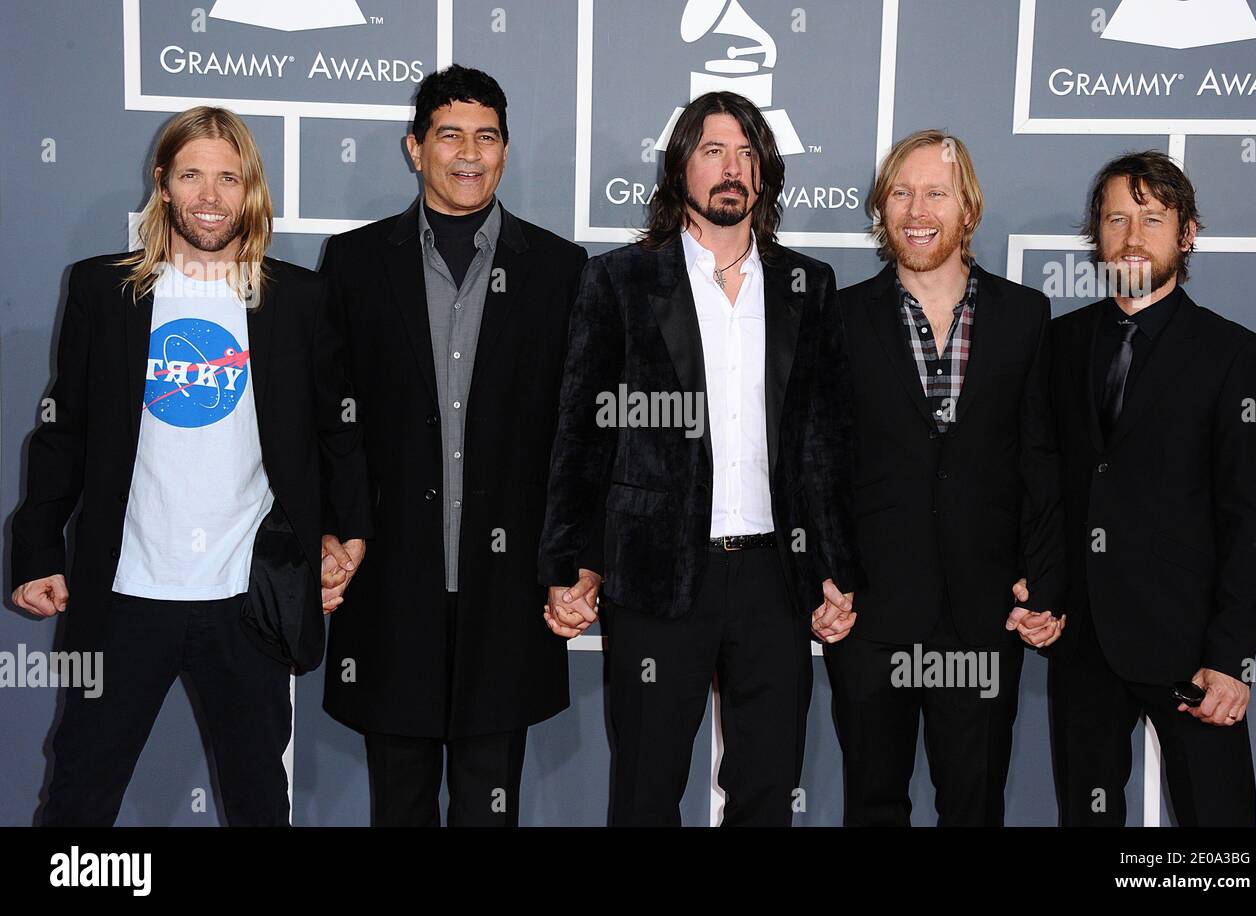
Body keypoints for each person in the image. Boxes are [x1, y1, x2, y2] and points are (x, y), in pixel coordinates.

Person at [11, 106, 370, 826]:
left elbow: (337, 430)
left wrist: (346, 531)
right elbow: (63, 431)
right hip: (126, 592)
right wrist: (36, 549)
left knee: (259, 802)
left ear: (251, 189)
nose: (210, 195)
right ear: (163, 184)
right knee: (78, 799)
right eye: (191, 175)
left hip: (248, 595)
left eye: (228, 177)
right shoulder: (103, 291)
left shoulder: (296, 299)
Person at [539, 90, 857, 826]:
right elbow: (581, 436)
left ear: (765, 174)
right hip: (656, 573)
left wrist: (834, 569)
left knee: (767, 791)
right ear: (680, 166)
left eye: (748, 153)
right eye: (714, 151)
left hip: (776, 577)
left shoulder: (808, 286)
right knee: (647, 791)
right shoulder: (620, 280)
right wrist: (572, 563)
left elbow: (824, 445)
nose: (732, 168)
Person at [319, 65, 588, 826]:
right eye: (449, 135)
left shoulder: (560, 270)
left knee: (488, 807)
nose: (469, 153)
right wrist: (332, 535)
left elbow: (578, 437)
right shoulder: (355, 264)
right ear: (415, 148)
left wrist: (573, 561)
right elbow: (331, 424)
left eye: (486, 136)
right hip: (388, 586)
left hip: (508, 597)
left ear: (504, 151)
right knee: (397, 806)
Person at [827, 129, 1065, 826]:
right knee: (872, 804)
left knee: (974, 804)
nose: (916, 210)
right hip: (870, 614)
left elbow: (1040, 461)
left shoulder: (1026, 315)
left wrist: (1041, 580)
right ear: (881, 208)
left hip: (984, 613)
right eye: (899, 192)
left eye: (937, 192)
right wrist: (826, 574)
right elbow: (817, 462)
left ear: (970, 210)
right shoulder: (837, 318)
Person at [1047, 150, 1256, 826]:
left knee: (1217, 835)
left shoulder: (1232, 353)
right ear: (1096, 235)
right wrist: (1042, 591)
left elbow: (1247, 515)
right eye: (1116, 218)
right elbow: (1046, 485)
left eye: (1152, 218)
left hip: (1191, 649)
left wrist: (1231, 658)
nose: (1131, 235)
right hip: (1083, 640)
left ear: (1187, 233)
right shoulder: (1059, 345)